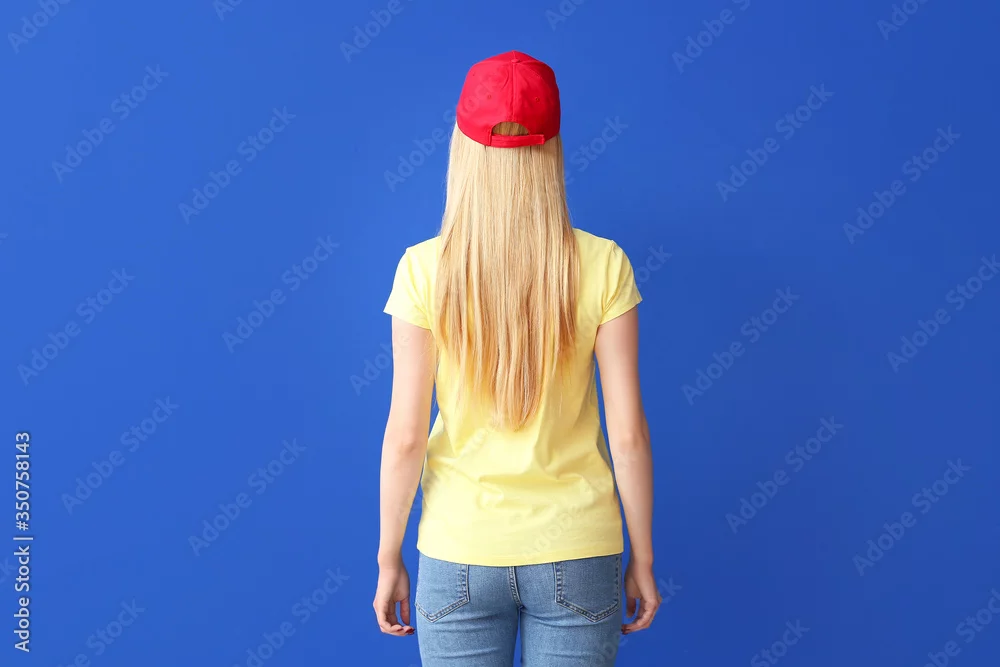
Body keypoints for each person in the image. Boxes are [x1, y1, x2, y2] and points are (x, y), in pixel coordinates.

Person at [373, 50, 659, 666]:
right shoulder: (605, 264)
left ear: (462, 147)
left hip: (459, 550)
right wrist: (644, 554)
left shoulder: (422, 270)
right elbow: (628, 434)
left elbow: (405, 437)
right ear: (552, 149)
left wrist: (387, 555)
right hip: (578, 549)